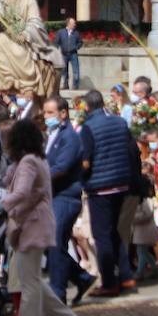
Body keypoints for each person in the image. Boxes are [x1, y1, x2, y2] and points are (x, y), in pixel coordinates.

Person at [2, 117, 76, 316]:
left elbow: (22, 191)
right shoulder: (37, 160)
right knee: (33, 276)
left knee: (29, 282)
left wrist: (1, 204)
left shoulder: (28, 162)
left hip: (32, 223)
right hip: (38, 221)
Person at [79, 89, 139, 298]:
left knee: (101, 235)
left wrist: (78, 176)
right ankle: (125, 274)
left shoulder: (88, 127)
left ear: (87, 107)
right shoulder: (120, 122)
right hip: (121, 183)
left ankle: (109, 282)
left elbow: (85, 161)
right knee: (113, 232)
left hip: (100, 186)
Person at [43, 96, 94, 305]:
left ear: (63, 113)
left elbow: (61, 167)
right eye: (45, 113)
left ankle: (58, 293)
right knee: (52, 244)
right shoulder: (53, 135)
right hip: (54, 195)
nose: (46, 117)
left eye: (50, 113)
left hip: (65, 196)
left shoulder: (70, 137)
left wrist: (38, 176)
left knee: (54, 243)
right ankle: (82, 278)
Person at [57, 16, 83, 91]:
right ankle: (65, 85)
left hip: (73, 54)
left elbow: (80, 42)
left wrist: (76, 47)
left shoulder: (76, 33)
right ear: (68, 24)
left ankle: (75, 86)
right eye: (73, 23)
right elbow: (56, 42)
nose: (75, 24)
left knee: (76, 71)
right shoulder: (61, 32)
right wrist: (55, 51)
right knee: (64, 71)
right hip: (64, 54)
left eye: (74, 23)